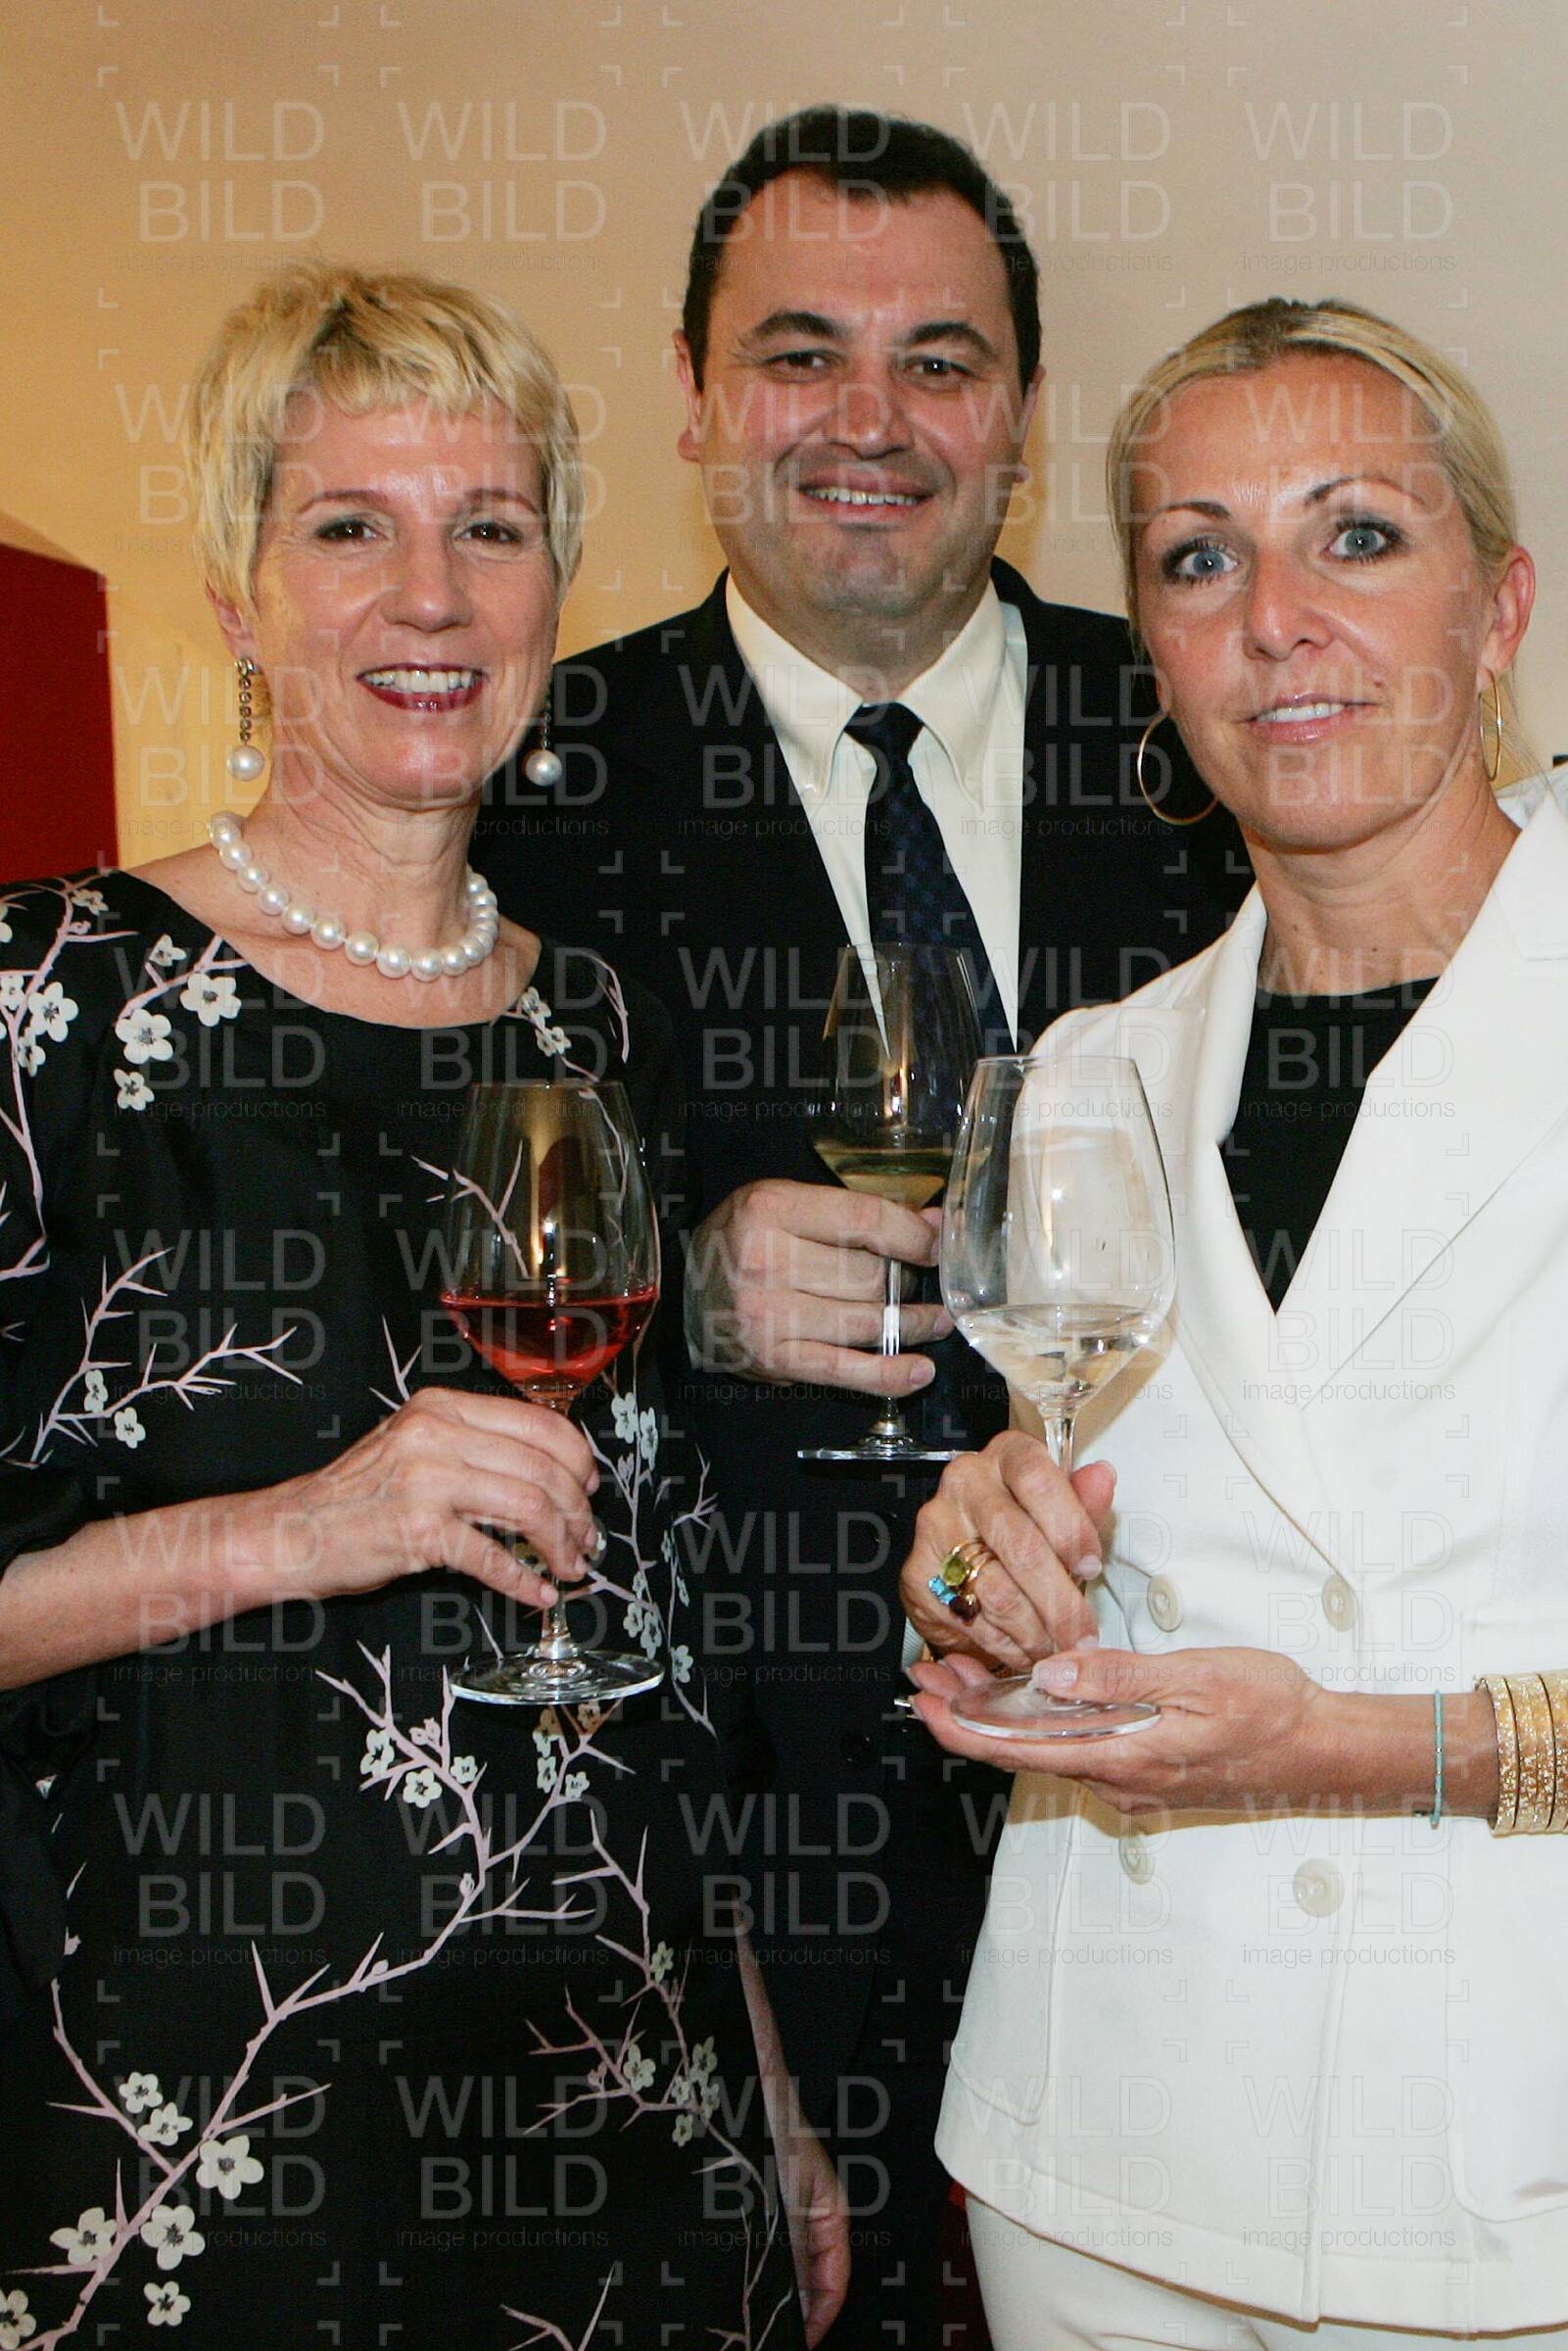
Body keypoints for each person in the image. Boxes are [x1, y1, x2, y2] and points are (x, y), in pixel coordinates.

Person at [0, 262, 847, 2349]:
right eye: (348, 525)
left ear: (556, 585)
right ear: (235, 594)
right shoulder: (45, 1004)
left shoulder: (597, 1023)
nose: (432, 597)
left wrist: (766, 2086)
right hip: (208, 2139)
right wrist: (295, 1529)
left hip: (629, 2104)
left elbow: (647, 1609)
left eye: (491, 526)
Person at [473, 106, 1247, 2345]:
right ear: (697, 396)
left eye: (941, 361)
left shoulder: (1214, 727)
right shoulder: (526, 776)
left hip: (1188, 1775)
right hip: (740, 1836)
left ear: (1021, 413)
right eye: (800, 354)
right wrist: (681, 1287)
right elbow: (419, 1273)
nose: (868, 421)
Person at [903, 294, 1568, 2347]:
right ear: (1154, 651)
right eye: (1199, 559)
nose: (1277, 619)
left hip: (1511, 2172)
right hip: (1101, 2163)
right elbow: (1036, 1540)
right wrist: (977, 1573)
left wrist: (1363, 1749)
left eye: (1356, 534)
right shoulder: (1087, 1073)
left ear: (1497, 608)